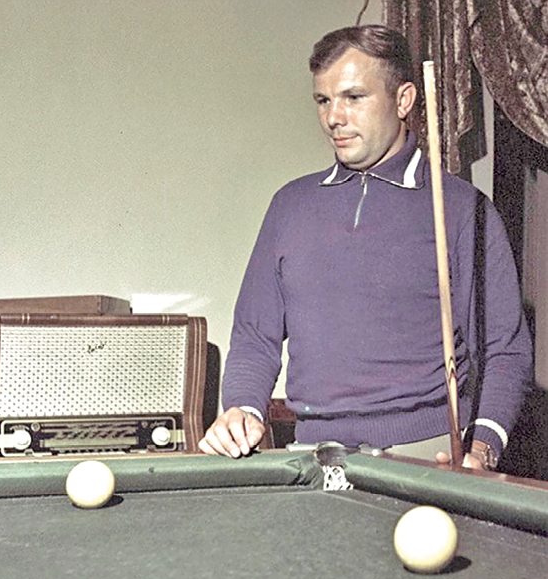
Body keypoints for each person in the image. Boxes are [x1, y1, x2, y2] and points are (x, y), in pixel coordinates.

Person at [199, 25, 532, 470]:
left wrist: (484, 448)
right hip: (312, 455)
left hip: (428, 457)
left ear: (404, 100)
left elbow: (505, 350)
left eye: (353, 97)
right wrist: (243, 408)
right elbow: (255, 336)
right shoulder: (290, 205)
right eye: (323, 100)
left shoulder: (461, 208)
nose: (333, 117)